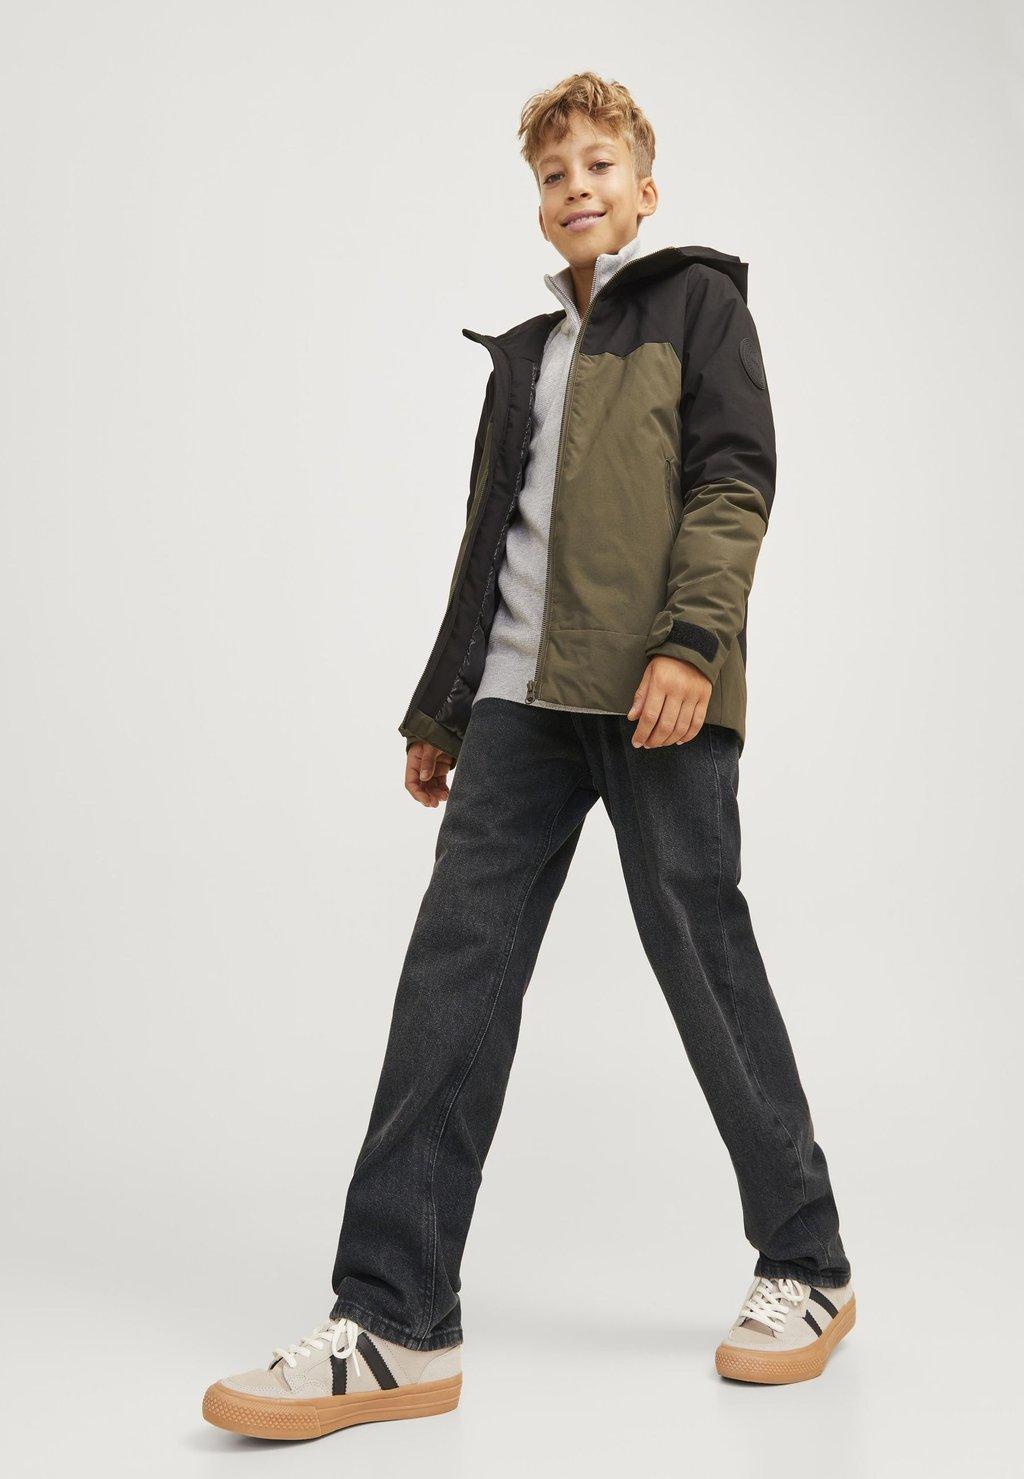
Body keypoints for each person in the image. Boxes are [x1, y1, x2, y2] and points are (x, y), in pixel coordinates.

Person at [203, 70, 854, 1442]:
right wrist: (444, 709)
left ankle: (808, 1262)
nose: (577, 188)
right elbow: (486, 547)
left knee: (702, 962)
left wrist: (691, 645)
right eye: (554, 173)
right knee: (453, 977)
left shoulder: (698, 305)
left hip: (656, 690)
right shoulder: (523, 357)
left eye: (600, 164)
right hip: (516, 706)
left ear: (646, 187)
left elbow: (735, 483)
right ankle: (395, 1320)